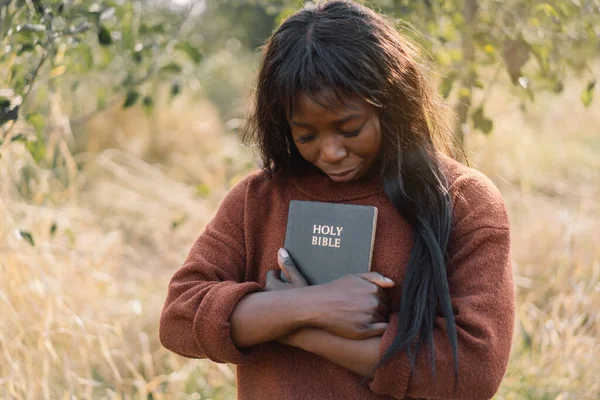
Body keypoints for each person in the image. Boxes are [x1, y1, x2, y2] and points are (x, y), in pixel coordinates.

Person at [159, 1, 515, 399]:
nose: (330, 152)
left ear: (391, 103)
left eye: (350, 129)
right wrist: (314, 305)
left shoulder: (462, 199)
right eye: (306, 135)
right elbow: (178, 318)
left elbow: (471, 371)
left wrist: (296, 327)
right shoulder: (258, 199)